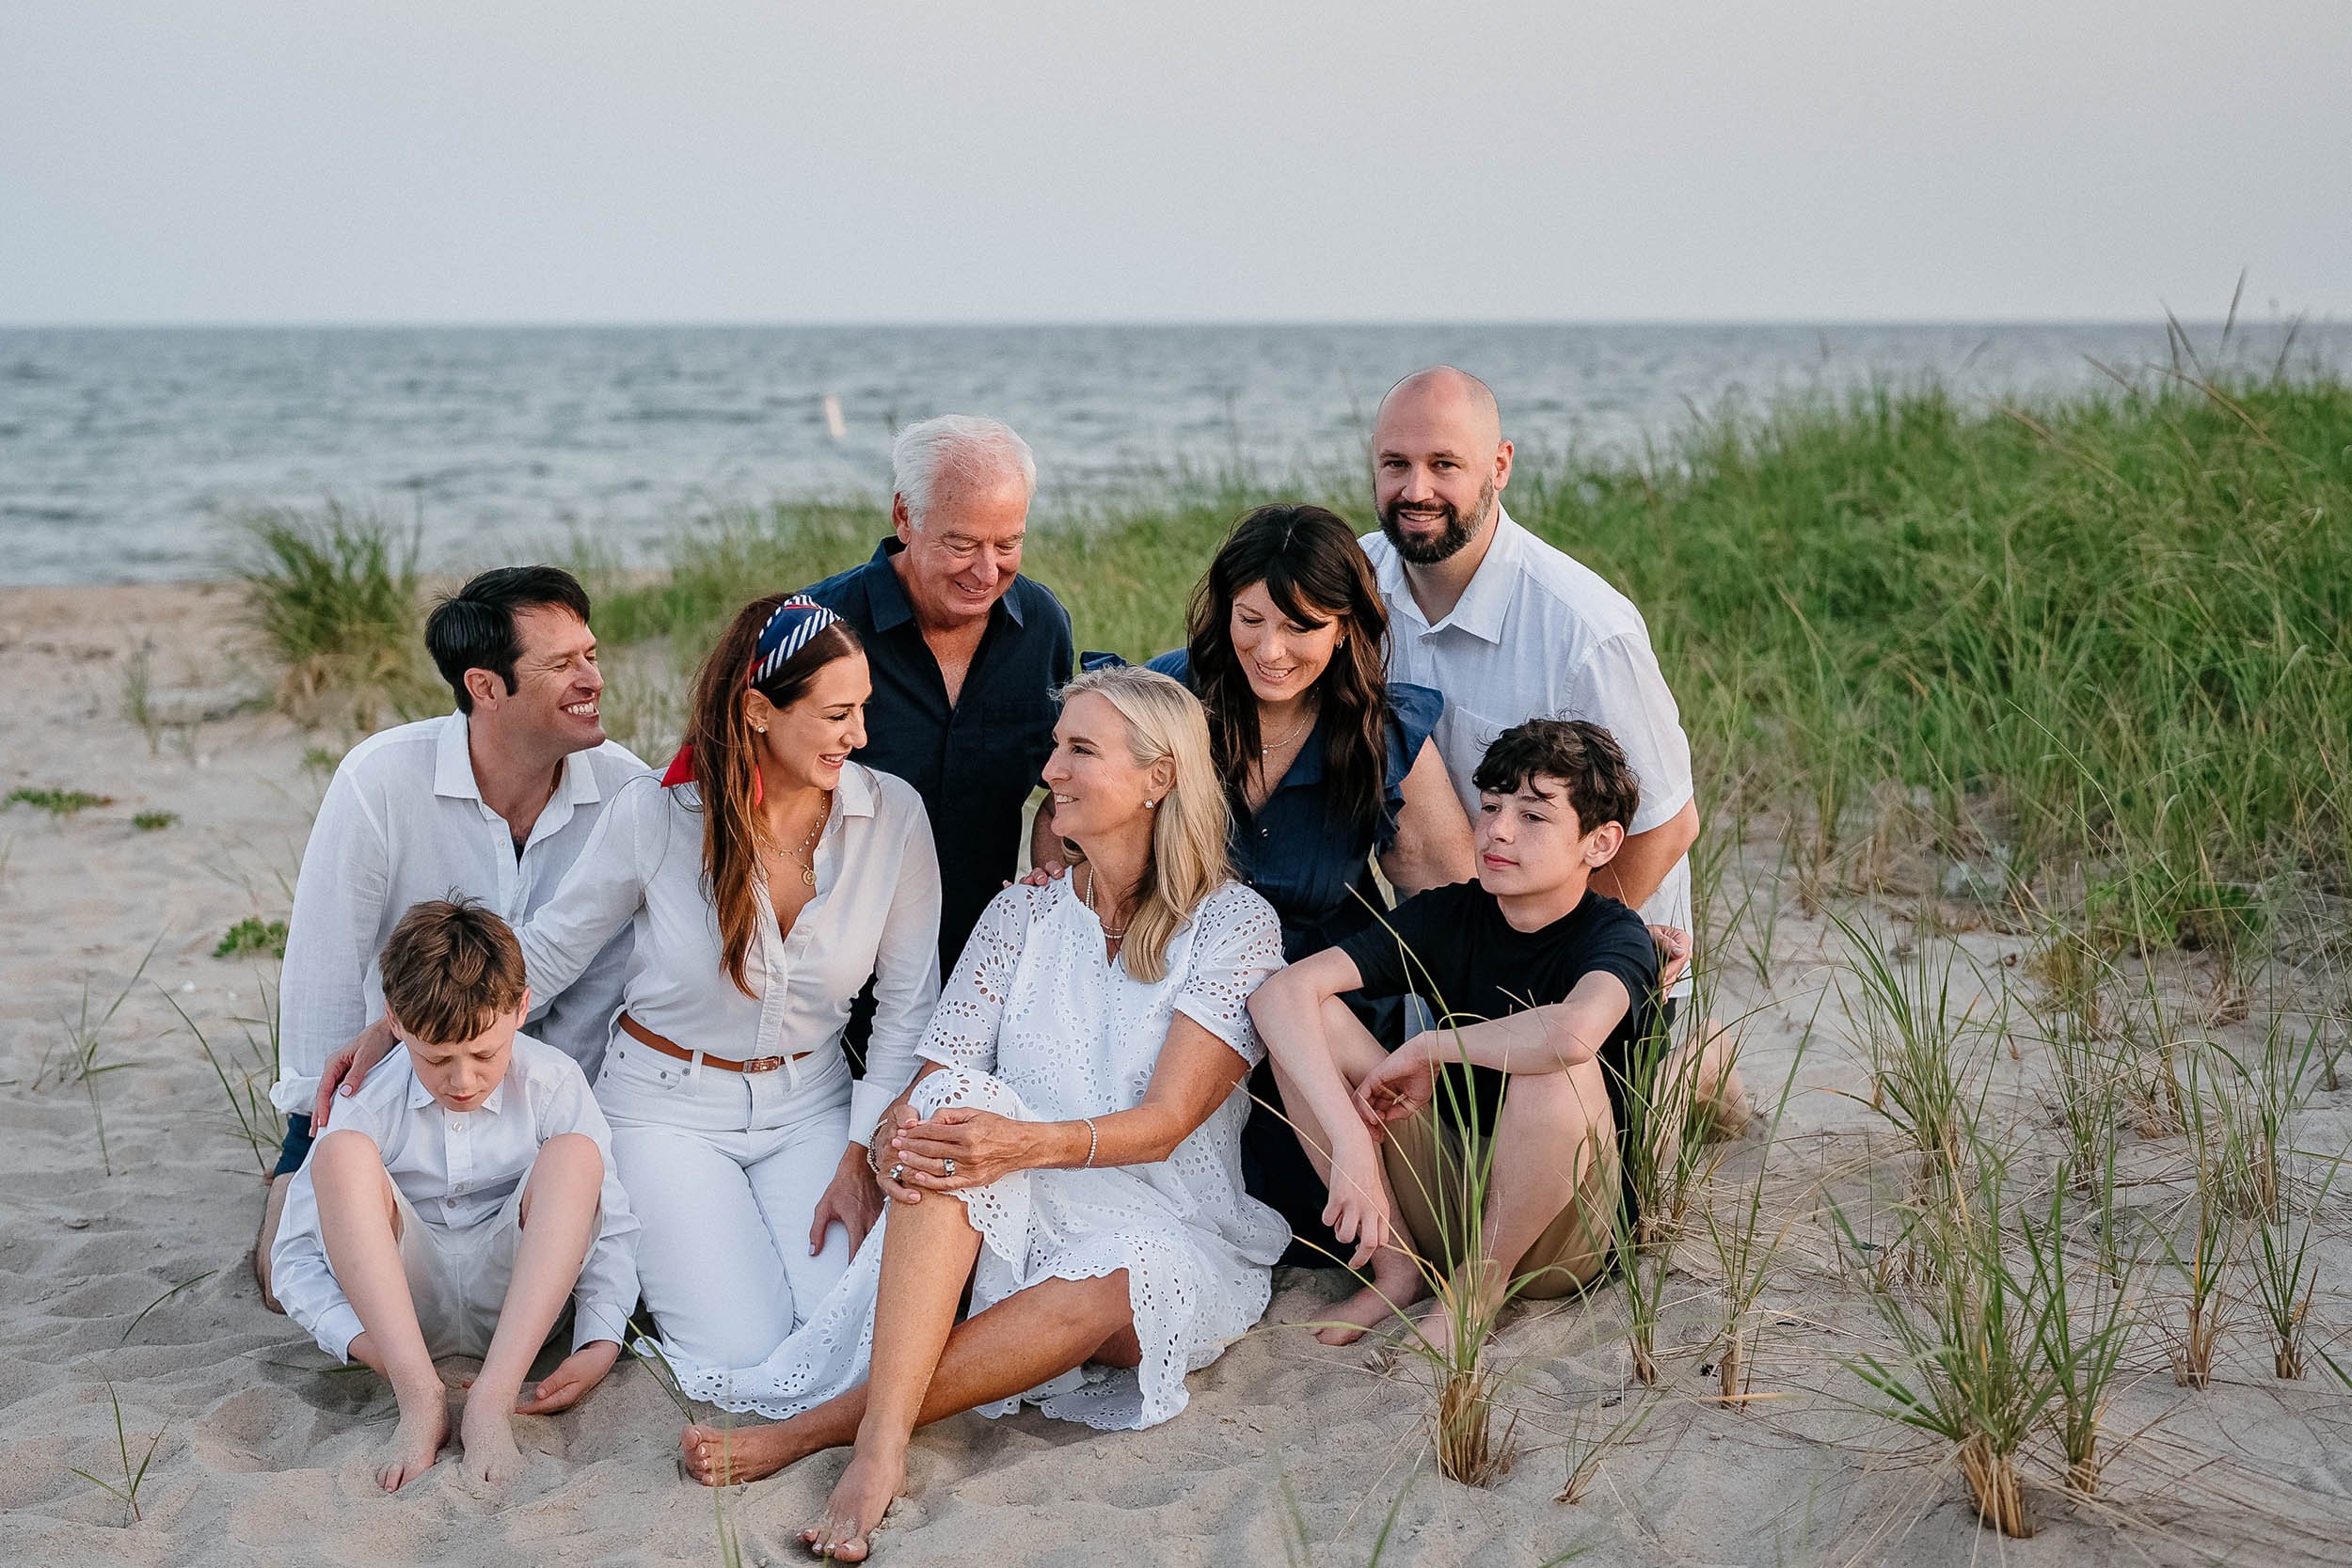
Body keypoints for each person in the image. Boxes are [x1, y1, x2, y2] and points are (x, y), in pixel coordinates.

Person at [669, 666, 1287, 1564]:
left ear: (1160, 777)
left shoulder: (1234, 927)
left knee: (1124, 1265)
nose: (1052, 771)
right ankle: (882, 1440)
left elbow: (1167, 1122)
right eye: (1056, 747)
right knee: (951, 1108)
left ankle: (834, 1432)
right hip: (1018, 1195)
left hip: (1170, 1215)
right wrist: (895, 1136)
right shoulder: (1020, 913)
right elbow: (938, 1075)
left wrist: (1017, 1143)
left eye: (1080, 751)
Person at [329, 595, 942, 1370]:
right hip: (663, 1111)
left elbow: (907, 1010)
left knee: (852, 1333)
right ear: (758, 710)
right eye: (836, 715)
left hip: (813, 1107)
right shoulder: (658, 813)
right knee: (741, 1350)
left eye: (863, 709)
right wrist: (404, 1024)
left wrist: (859, 1154)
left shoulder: (895, 819)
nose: (860, 735)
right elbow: (548, 954)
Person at [256, 566, 645, 1307]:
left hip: (558, 1108)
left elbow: (623, 988)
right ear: (485, 686)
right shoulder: (381, 780)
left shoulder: (629, 793)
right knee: (285, 1279)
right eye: (562, 664)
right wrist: (314, 1128)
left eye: (591, 654)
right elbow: (325, 971)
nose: (592, 677)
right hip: (404, 1085)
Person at [1362, 366, 1736, 1117]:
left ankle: (1694, 1067)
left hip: (1586, 948)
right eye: (1395, 464)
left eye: (1445, 465)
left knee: (1593, 1179)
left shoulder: (1585, 629)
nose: (1416, 489)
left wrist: (1566, 953)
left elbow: (1669, 823)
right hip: (1463, 930)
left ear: (1499, 466)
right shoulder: (1356, 583)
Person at [1248, 720, 1661, 1350]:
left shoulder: (1615, 934)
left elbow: (1575, 1032)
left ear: (1600, 843)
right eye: (1491, 806)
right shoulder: (1451, 912)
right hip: (1449, 1197)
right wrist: (1348, 1140)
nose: (1497, 829)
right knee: (1310, 1018)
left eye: (1533, 816)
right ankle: (1397, 1266)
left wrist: (1432, 1046)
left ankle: (1478, 1292)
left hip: (1563, 1231)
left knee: (1554, 1071)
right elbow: (1279, 994)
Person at [1143, 503, 1474, 1259]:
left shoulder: (1378, 732)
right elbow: (1069, 827)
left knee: (1327, 1225)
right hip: (1178, 1000)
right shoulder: (1170, 698)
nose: (1271, 649)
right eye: (1251, 617)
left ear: (1346, 624)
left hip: (1320, 1004)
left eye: (1302, 626)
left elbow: (1450, 907)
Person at [269, 898, 638, 1491]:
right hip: (399, 1316)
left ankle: (491, 1401)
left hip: (519, 1303)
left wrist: (599, 1336)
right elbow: (295, 1258)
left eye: (484, 1055)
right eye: (435, 1059)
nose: (461, 1080)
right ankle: (420, 1398)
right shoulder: (369, 1098)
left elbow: (610, 1219)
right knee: (341, 1155)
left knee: (576, 1156)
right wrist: (377, 1354)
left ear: (519, 1008)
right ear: (394, 1022)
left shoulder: (553, 1082)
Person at [803, 414, 1075, 992]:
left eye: (1009, 544)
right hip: (833, 965)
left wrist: (1056, 875)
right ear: (904, 516)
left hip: (985, 959)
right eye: (962, 544)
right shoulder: (820, 628)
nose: (986, 571)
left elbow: (1062, 790)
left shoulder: (1044, 628)